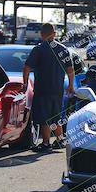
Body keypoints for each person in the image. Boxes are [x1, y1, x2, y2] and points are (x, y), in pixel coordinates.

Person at [23, 23, 75, 152]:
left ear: (41, 34)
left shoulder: (39, 50)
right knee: (55, 116)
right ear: (54, 34)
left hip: (42, 89)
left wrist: (25, 84)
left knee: (44, 117)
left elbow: (27, 68)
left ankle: (46, 143)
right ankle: (60, 140)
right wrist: (71, 86)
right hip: (57, 90)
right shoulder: (63, 49)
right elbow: (70, 70)